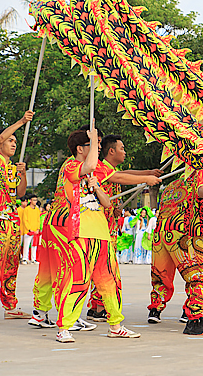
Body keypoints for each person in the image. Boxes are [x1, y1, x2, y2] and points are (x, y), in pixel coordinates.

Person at [49, 128, 141, 342]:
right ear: (81, 149)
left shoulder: (95, 172)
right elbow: (88, 165)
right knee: (77, 280)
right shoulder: (71, 166)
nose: (98, 148)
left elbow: (108, 201)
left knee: (110, 281)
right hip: (79, 232)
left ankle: (116, 325)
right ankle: (64, 327)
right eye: (93, 145)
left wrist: (97, 187)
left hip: (101, 233)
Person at [87, 135, 162, 322]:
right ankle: (98, 309)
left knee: (102, 269)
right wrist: (147, 178)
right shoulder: (101, 168)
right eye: (122, 148)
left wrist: (148, 172)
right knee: (105, 271)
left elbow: (125, 173)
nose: (125, 151)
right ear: (111, 151)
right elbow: (120, 176)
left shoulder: (110, 170)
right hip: (99, 229)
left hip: (107, 229)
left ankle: (97, 307)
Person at [148, 168, 203, 335]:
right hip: (197, 233)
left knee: (161, 274)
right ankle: (196, 317)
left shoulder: (173, 185)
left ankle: (156, 308)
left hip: (164, 232)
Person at [0, 111, 34, 325]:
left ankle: (10, 305)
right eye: (11, 140)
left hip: (12, 223)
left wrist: (22, 174)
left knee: (12, 266)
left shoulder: (12, 167)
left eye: (15, 141)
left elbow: (20, 193)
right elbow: (0, 138)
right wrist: (21, 121)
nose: (13, 144)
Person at [19, 195, 42, 264]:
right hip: (28, 231)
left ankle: (33, 258)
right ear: (30, 201)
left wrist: (38, 228)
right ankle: (25, 258)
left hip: (35, 230)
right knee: (26, 245)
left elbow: (38, 220)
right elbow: (25, 220)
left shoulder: (37, 210)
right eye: (34, 200)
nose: (35, 201)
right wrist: (29, 229)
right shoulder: (27, 209)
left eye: (36, 200)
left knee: (34, 245)